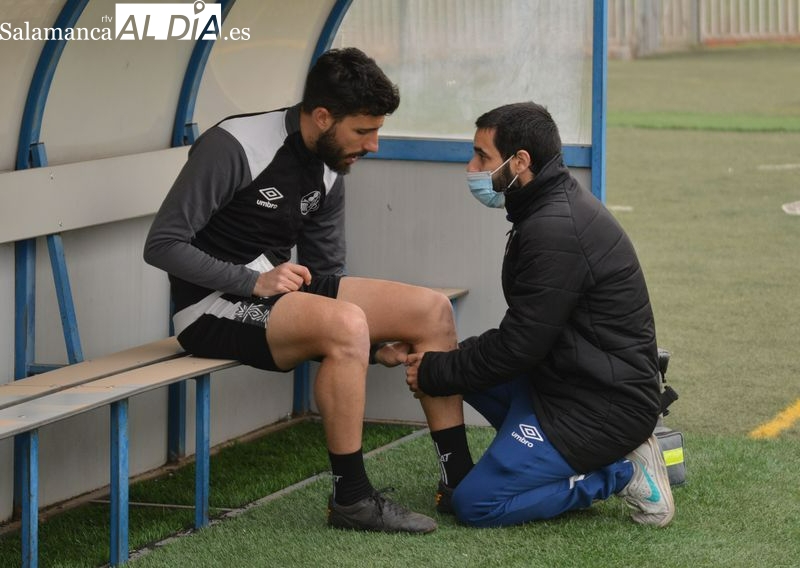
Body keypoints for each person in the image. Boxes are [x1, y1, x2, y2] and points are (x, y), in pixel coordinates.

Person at [144, 47, 469, 534]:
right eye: (364, 131)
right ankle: (352, 498)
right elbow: (162, 245)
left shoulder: (331, 160)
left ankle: (461, 482)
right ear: (322, 116)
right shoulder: (233, 146)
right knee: (346, 323)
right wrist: (251, 281)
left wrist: (373, 343)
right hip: (210, 307)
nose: (374, 144)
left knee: (432, 311)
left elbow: (326, 271)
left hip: (279, 294)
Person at [405, 102, 676, 528]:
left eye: (482, 156)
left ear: (521, 162)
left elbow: (519, 347)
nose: (471, 168)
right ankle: (557, 458)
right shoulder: (544, 207)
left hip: (600, 407)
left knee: (476, 505)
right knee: (450, 365)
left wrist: (436, 370)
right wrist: (437, 362)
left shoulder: (555, 227)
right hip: (566, 381)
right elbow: (525, 339)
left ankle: (619, 472)